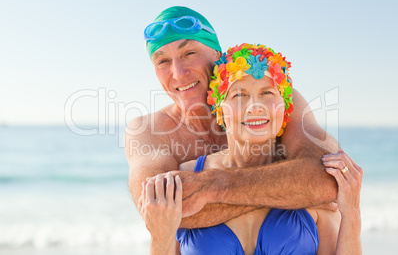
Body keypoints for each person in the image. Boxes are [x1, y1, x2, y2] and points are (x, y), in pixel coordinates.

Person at [125, 5, 341, 239]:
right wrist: (296, 190)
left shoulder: (273, 102)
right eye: (163, 61)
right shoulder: (148, 131)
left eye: (189, 54)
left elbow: (329, 178)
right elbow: (158, 212)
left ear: (218, 55)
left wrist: (214, 185)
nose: (178, 73)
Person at [138, 44, 363, 254]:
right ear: (219, 109)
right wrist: (159, 238)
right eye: (239, 95)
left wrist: (351, 214)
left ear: (284, 107)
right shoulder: (184, 177)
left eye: (267, 93)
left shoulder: (311, 181)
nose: (255, 106)